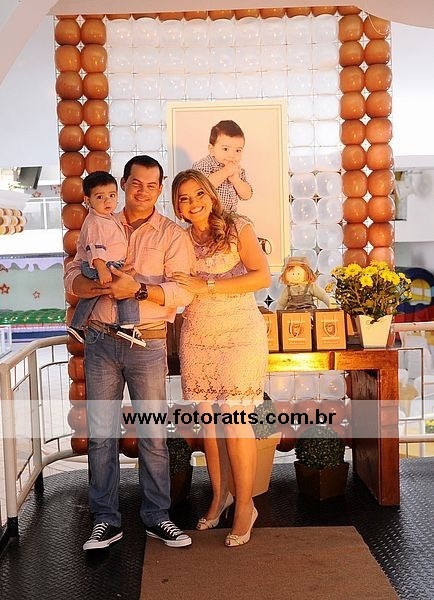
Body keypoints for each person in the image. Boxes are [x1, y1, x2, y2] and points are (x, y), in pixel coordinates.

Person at [64, 155, 195, 551]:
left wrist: (135, 290)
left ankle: (157, 516)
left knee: (153, 435)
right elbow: (73, 272)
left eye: (152, 185)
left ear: (161, 188)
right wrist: (88, 287)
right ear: (123, 184)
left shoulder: (172, 235)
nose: (143, 191)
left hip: (148, 343)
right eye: (136, 183)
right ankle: (105, 520)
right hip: (100, 341)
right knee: (101, 435)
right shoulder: (100, 220)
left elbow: (183, 291)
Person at [171, 169, 271, 547]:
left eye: (199, 193)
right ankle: (220, 495)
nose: (194, 202)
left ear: (211, 195)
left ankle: (245, 505)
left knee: (235, 418)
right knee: (209, 422)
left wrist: (208, 285)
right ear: (178, 208)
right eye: (184, 198)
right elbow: (173, 284)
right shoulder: (178, 239)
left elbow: (261, 277)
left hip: (240, 332)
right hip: (197, 333)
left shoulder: (238, 227)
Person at [67, 171, 144, 347]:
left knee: (93, 295)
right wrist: (101, 269)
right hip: (99, 265)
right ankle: (127, 325)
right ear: (88, 200)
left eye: (112, 195)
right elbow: (95, 247)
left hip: (108, 264)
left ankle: (77, 325)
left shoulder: (109, 218)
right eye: (100, 197)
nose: (107, 201)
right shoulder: (95, 222)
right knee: (127, 287)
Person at [192, 120, 252, 212]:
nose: (232, 155)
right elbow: (203, 187)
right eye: (225, 149)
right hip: (208, 214)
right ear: (211, 149)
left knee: (244, 222)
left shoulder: (237, 170)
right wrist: (225, 172)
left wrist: (236, 181)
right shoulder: (204, 164)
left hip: (230, 214)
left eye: (238, 150)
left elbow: (247, 195)